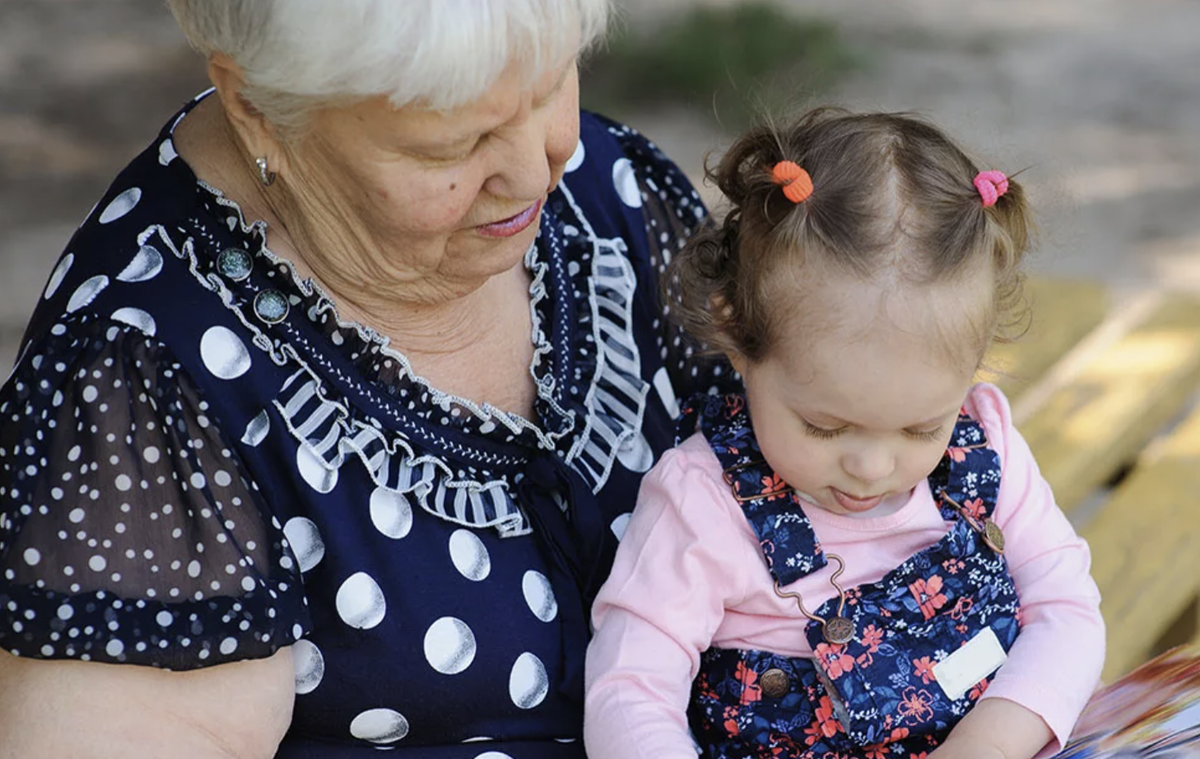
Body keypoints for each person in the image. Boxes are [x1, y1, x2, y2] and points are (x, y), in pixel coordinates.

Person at [0, 1, 736, 756]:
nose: (532, 167)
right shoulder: (139, 382)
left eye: (548, 87)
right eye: (454, 144)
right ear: (257, 109)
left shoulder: (606, 192)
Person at [583, 108, 1106, 759]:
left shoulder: (987, 451)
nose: (871, 465)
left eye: (922, 426)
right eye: (824, 425)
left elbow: (1067, 612)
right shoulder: (703, 505)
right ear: (737, 336)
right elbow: (629, 693)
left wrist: (989, 743)